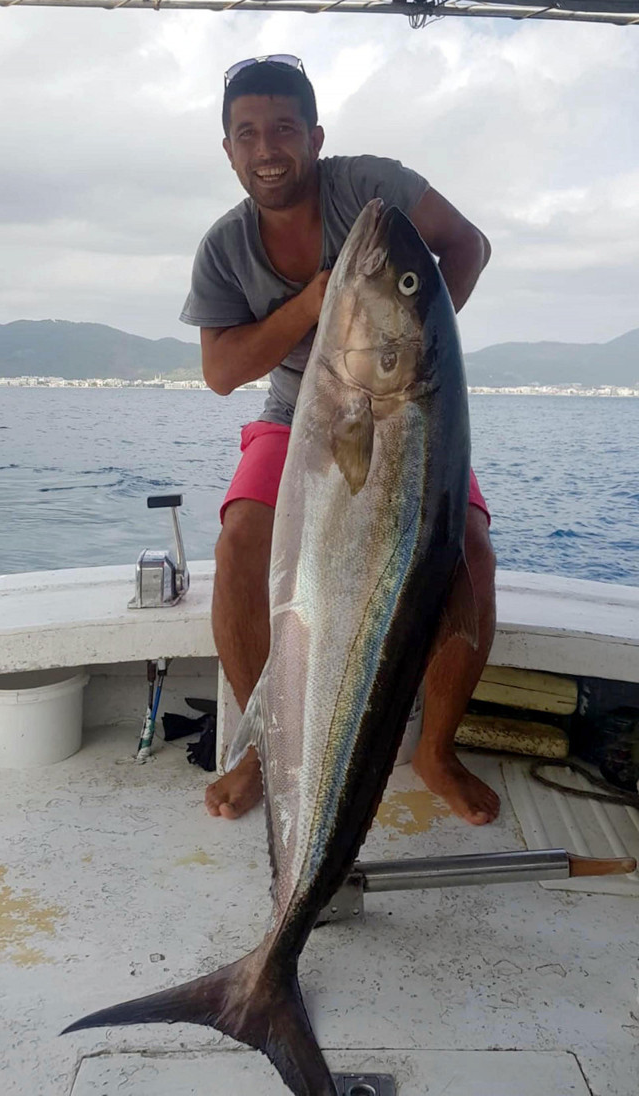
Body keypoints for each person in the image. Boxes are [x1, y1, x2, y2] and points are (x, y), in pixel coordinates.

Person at [180, 56, 499, 827]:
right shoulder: (225, 248)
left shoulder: (372, 191)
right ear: (226, 148)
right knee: (240, 541)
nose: (267, 149)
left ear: (315, 136)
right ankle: (264, 747)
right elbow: (222, 372)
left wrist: (407, 348)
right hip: (297, 412)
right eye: (247, 133)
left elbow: (468, 246)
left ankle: (437, 747)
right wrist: (318, 307)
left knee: (470, 547)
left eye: (284, 129)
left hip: (408, 406)